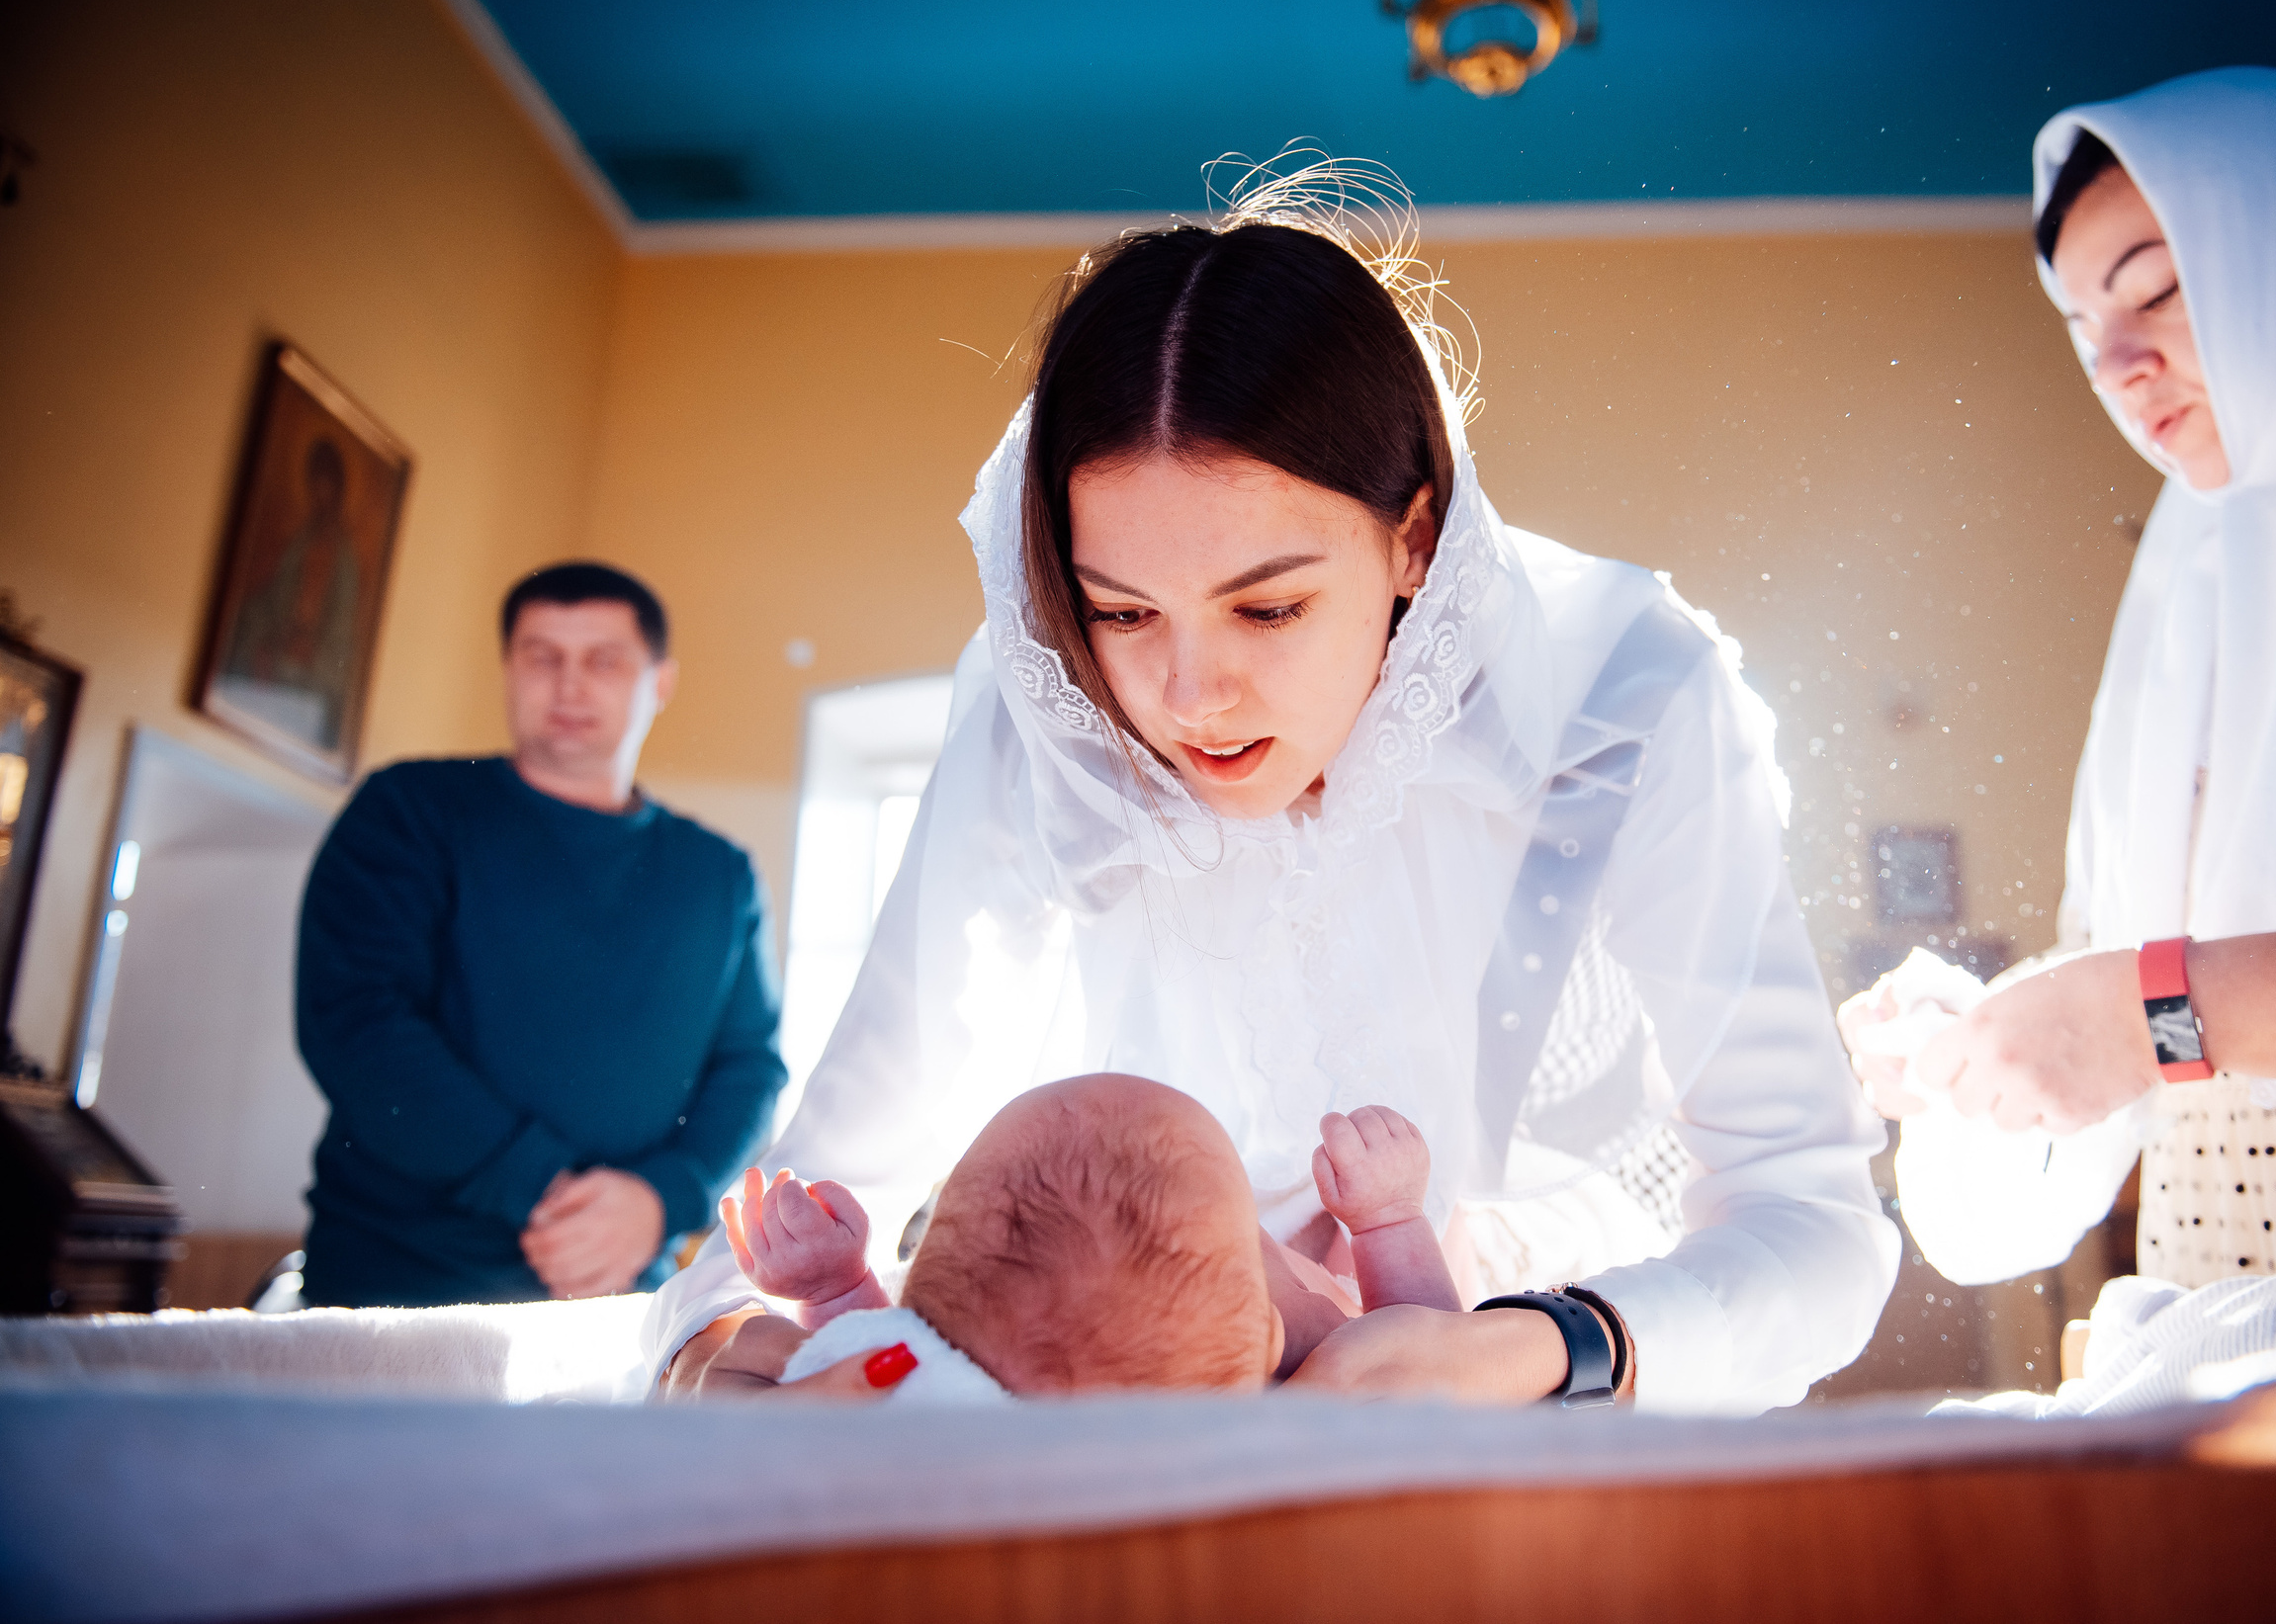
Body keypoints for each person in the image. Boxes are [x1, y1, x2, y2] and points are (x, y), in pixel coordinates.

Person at [645, 165, 1898, 1413]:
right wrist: (717, 1345)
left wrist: (1529, 1350)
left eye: (1269, 605)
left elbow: (1811, 1221)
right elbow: (823, 1173)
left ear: (1413, 538)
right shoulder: (1047, 711)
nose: (1189, 693)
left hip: (1521, 1374)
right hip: (1127, 1379)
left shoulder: (1622, 696)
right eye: (1122, 611)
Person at [1842, 70, 2276, 1310]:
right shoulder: (2191, 583)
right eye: (2077, 327)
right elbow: (2147, 985)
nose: (2114, 363)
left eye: (2159, 289)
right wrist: (1993, 1034)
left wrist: (2141, 1005)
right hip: (2230, 1358)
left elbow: (2168, 999)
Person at [295, 561, 787, 1306]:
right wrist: (542, 1189)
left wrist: (661, 1200)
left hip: (621, 1298)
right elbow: (358, 1021)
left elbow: (750, 1067)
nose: (569, 685)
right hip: (393, 1283)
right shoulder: (407, 811)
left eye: (604, 660)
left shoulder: (720, 874)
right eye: (542, 656)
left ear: (660, 682)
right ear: (508, 669)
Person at [694, 1083, 1456, 1401]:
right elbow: (1444, 1350)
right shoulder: (1322, 1381)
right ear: (1266, 1334)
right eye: (1247, 1237)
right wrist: (1389, 1221)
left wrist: (836, 1290)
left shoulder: (965, 1404)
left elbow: (895, 1382)